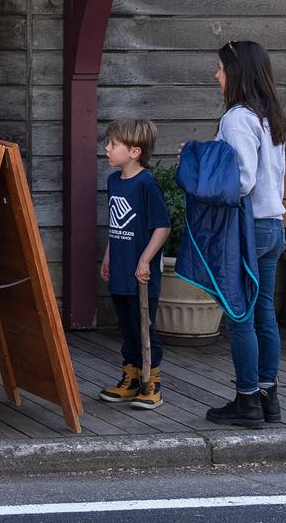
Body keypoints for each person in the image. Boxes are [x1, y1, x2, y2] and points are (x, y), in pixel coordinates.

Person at [203, 41, 286, 429]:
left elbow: (241, 180)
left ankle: (247, 400)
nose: (216, 75)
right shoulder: (270, 116)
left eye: (220, 68)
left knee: (240, 316)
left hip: (247, 227)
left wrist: (200, 164)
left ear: (236, 72)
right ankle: (268, 397)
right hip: (273, 224)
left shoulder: (238, 118)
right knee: (264, 314)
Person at [97, 117, 170, 411]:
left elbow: (162, 227)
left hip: (141, 274)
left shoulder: (146, 184)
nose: (107, 148)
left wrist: (145, 260)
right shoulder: (114, 181)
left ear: (135, 152)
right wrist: (108, 256)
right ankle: (129, 377)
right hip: (120, 269)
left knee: (143, 326)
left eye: (114, 144)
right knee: (126, 325)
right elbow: (117, 225)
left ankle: (151, 381)